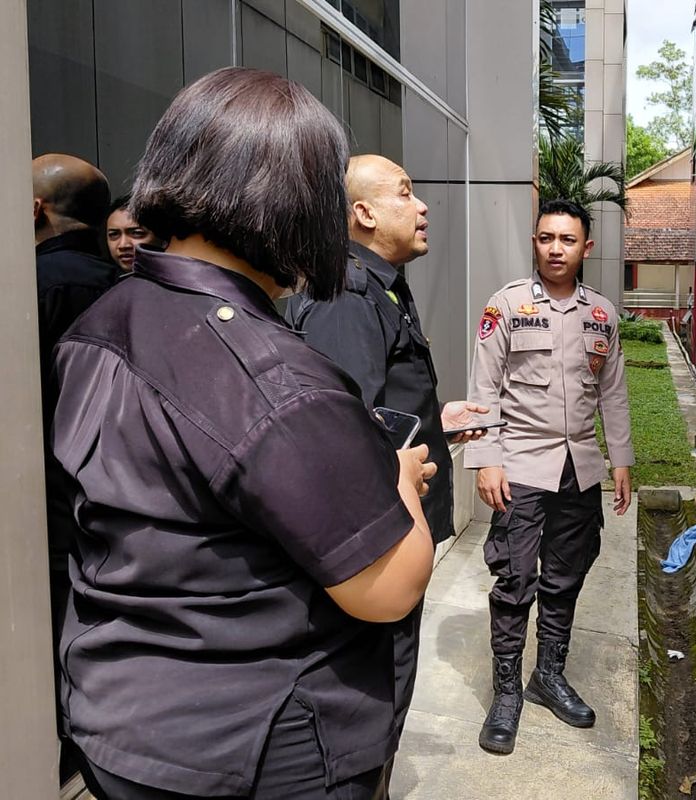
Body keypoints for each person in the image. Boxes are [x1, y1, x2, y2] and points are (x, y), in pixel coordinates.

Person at [52, 67, 434, 799]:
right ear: (297, 206)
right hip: (255, 745)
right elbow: (387, 588)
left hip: (118, 718)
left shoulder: (106, 319)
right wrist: (397, 481)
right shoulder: (275, 379)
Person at [285, 153, 488, 747]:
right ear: (364, 213)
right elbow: (345, 437)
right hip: (374, 549)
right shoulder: (346, 297)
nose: (422, 206)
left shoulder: (380, 286)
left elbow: (376, 400)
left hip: (391, 537)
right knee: (372, 705)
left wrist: (434, 420)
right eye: (404, 194)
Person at [466, 198, 634, 755]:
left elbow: (612, 393)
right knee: (515, 580)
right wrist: (486, 458)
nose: (555, 249)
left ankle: (549, 675)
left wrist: (622, 461)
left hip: (579, 470)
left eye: (566, 240)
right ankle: (507, 691)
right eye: (545, 238)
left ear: (586, 247)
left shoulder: (602, 315)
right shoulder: (507, 305)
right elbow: (483, 389)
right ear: (535, 243)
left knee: (567, 576)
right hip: (519, 465)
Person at [31, 153, 118, 782]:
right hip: (114, 494)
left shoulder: (30, 286)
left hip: (47, 497)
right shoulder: (129, 291)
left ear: (35, 209)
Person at [105, 194, 163, 270]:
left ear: (162, 238)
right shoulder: (99, 280)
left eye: (136, 233)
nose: (123, 245)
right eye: (114, 234)